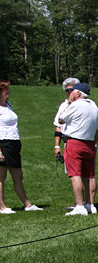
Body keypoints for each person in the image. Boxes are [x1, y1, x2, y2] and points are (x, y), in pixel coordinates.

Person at [58, 83, 98, 216]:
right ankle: (91, 204)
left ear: (77, 93)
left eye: (72, 91)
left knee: (75, 174)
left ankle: (79, 205)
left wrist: (70, 103)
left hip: (75, 142)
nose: (70, 93)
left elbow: (61, 119)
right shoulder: (93, 105)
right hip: (90, 143)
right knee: (90, 175)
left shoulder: (76, 105)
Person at [0, 80, 41, 214]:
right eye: (6, 90)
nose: (9, 92)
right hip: (3, 143)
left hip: (13, 143)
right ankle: (2, 207)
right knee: (1, 176)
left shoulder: (8, 105)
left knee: (18, 176)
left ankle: (27, 204)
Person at [53, 76, 79, 163]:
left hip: (82, 142)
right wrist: (57, 146)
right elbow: (58, 126)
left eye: (72, 90)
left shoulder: (86, 104)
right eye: (67, 90)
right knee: (71, 173)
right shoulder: (63, 106)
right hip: (68, 143)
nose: (70, 92)